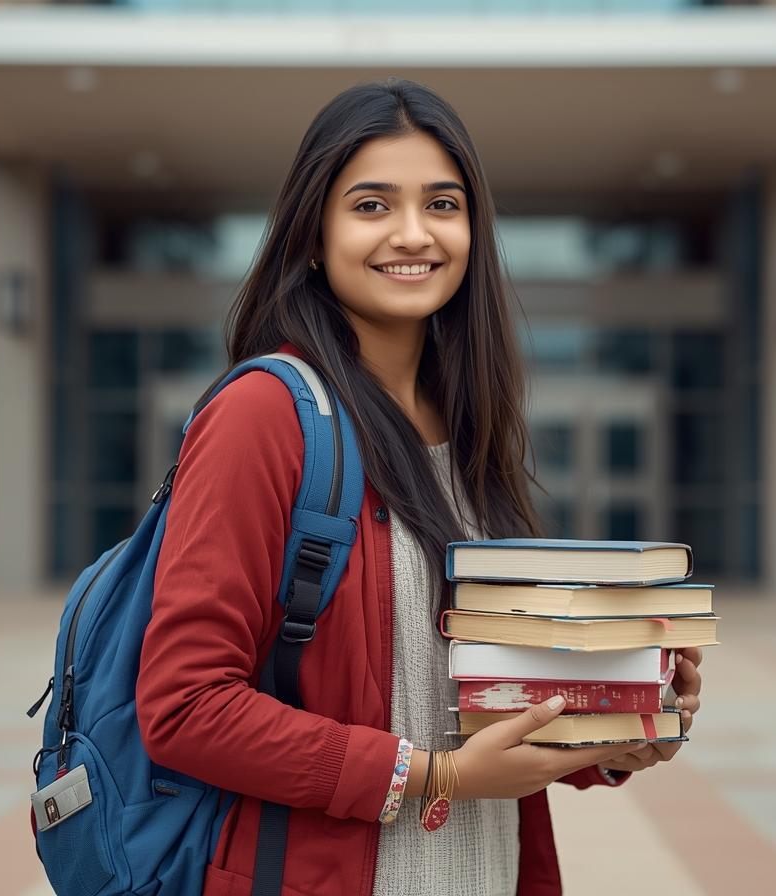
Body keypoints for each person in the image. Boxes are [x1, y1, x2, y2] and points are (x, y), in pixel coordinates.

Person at [136, 78, 703, 896]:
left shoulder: (468, 424)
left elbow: (479, 701)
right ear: (312, 235)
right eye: (371, 205)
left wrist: (618, 729)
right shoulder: (265, 413)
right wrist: (440, 777)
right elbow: (186, 706)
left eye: (442, 203)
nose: (413, 233)